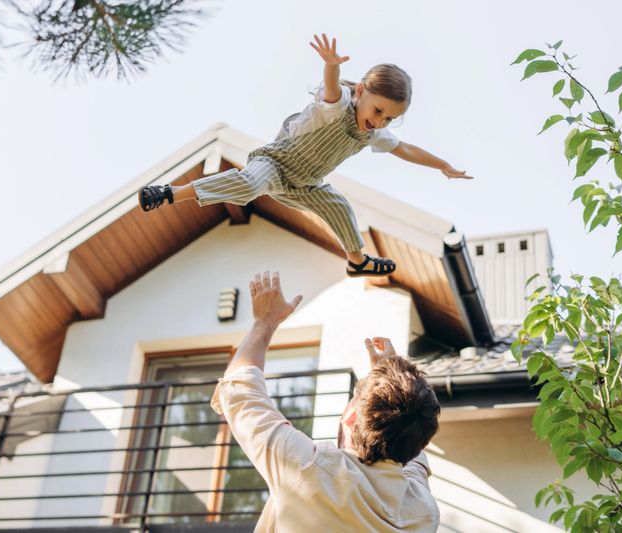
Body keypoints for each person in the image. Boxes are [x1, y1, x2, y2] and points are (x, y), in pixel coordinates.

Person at [138, 33, 472, 278]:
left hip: (305, 184)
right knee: (249, 186)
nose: (380, 121)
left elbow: (406, 148)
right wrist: (330, 66)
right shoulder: (338, 104)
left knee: (339, 207)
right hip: (274, 164)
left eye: (389, 118)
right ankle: (170, 193)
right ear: (360, 92)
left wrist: (442, 165)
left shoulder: (373, 133)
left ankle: (357, 260)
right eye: (379, 110)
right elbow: (330, 88)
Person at [211, 271, 441, 532]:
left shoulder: (308, 468)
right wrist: (389, 376)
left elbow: (241, 388)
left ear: (352, 418)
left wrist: (265, 322)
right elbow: (410, 441)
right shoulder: (422, 510)